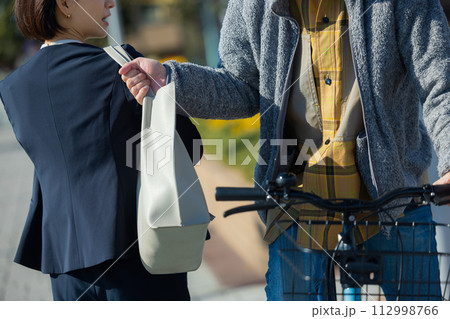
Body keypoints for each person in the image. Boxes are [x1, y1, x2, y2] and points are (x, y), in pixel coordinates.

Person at [121, 0, 450, 301]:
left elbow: (439, 79)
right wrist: (170, 78)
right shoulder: (253, 5)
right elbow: (242, 85)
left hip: (395, 197)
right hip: (296, 200)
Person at [0, 0, 201, 301]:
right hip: (139, 257)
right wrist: (158, 95)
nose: (110, 2)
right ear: (65, 4)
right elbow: (189, 148)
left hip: (66, 267)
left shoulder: (13, 88)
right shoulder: (123, 67)